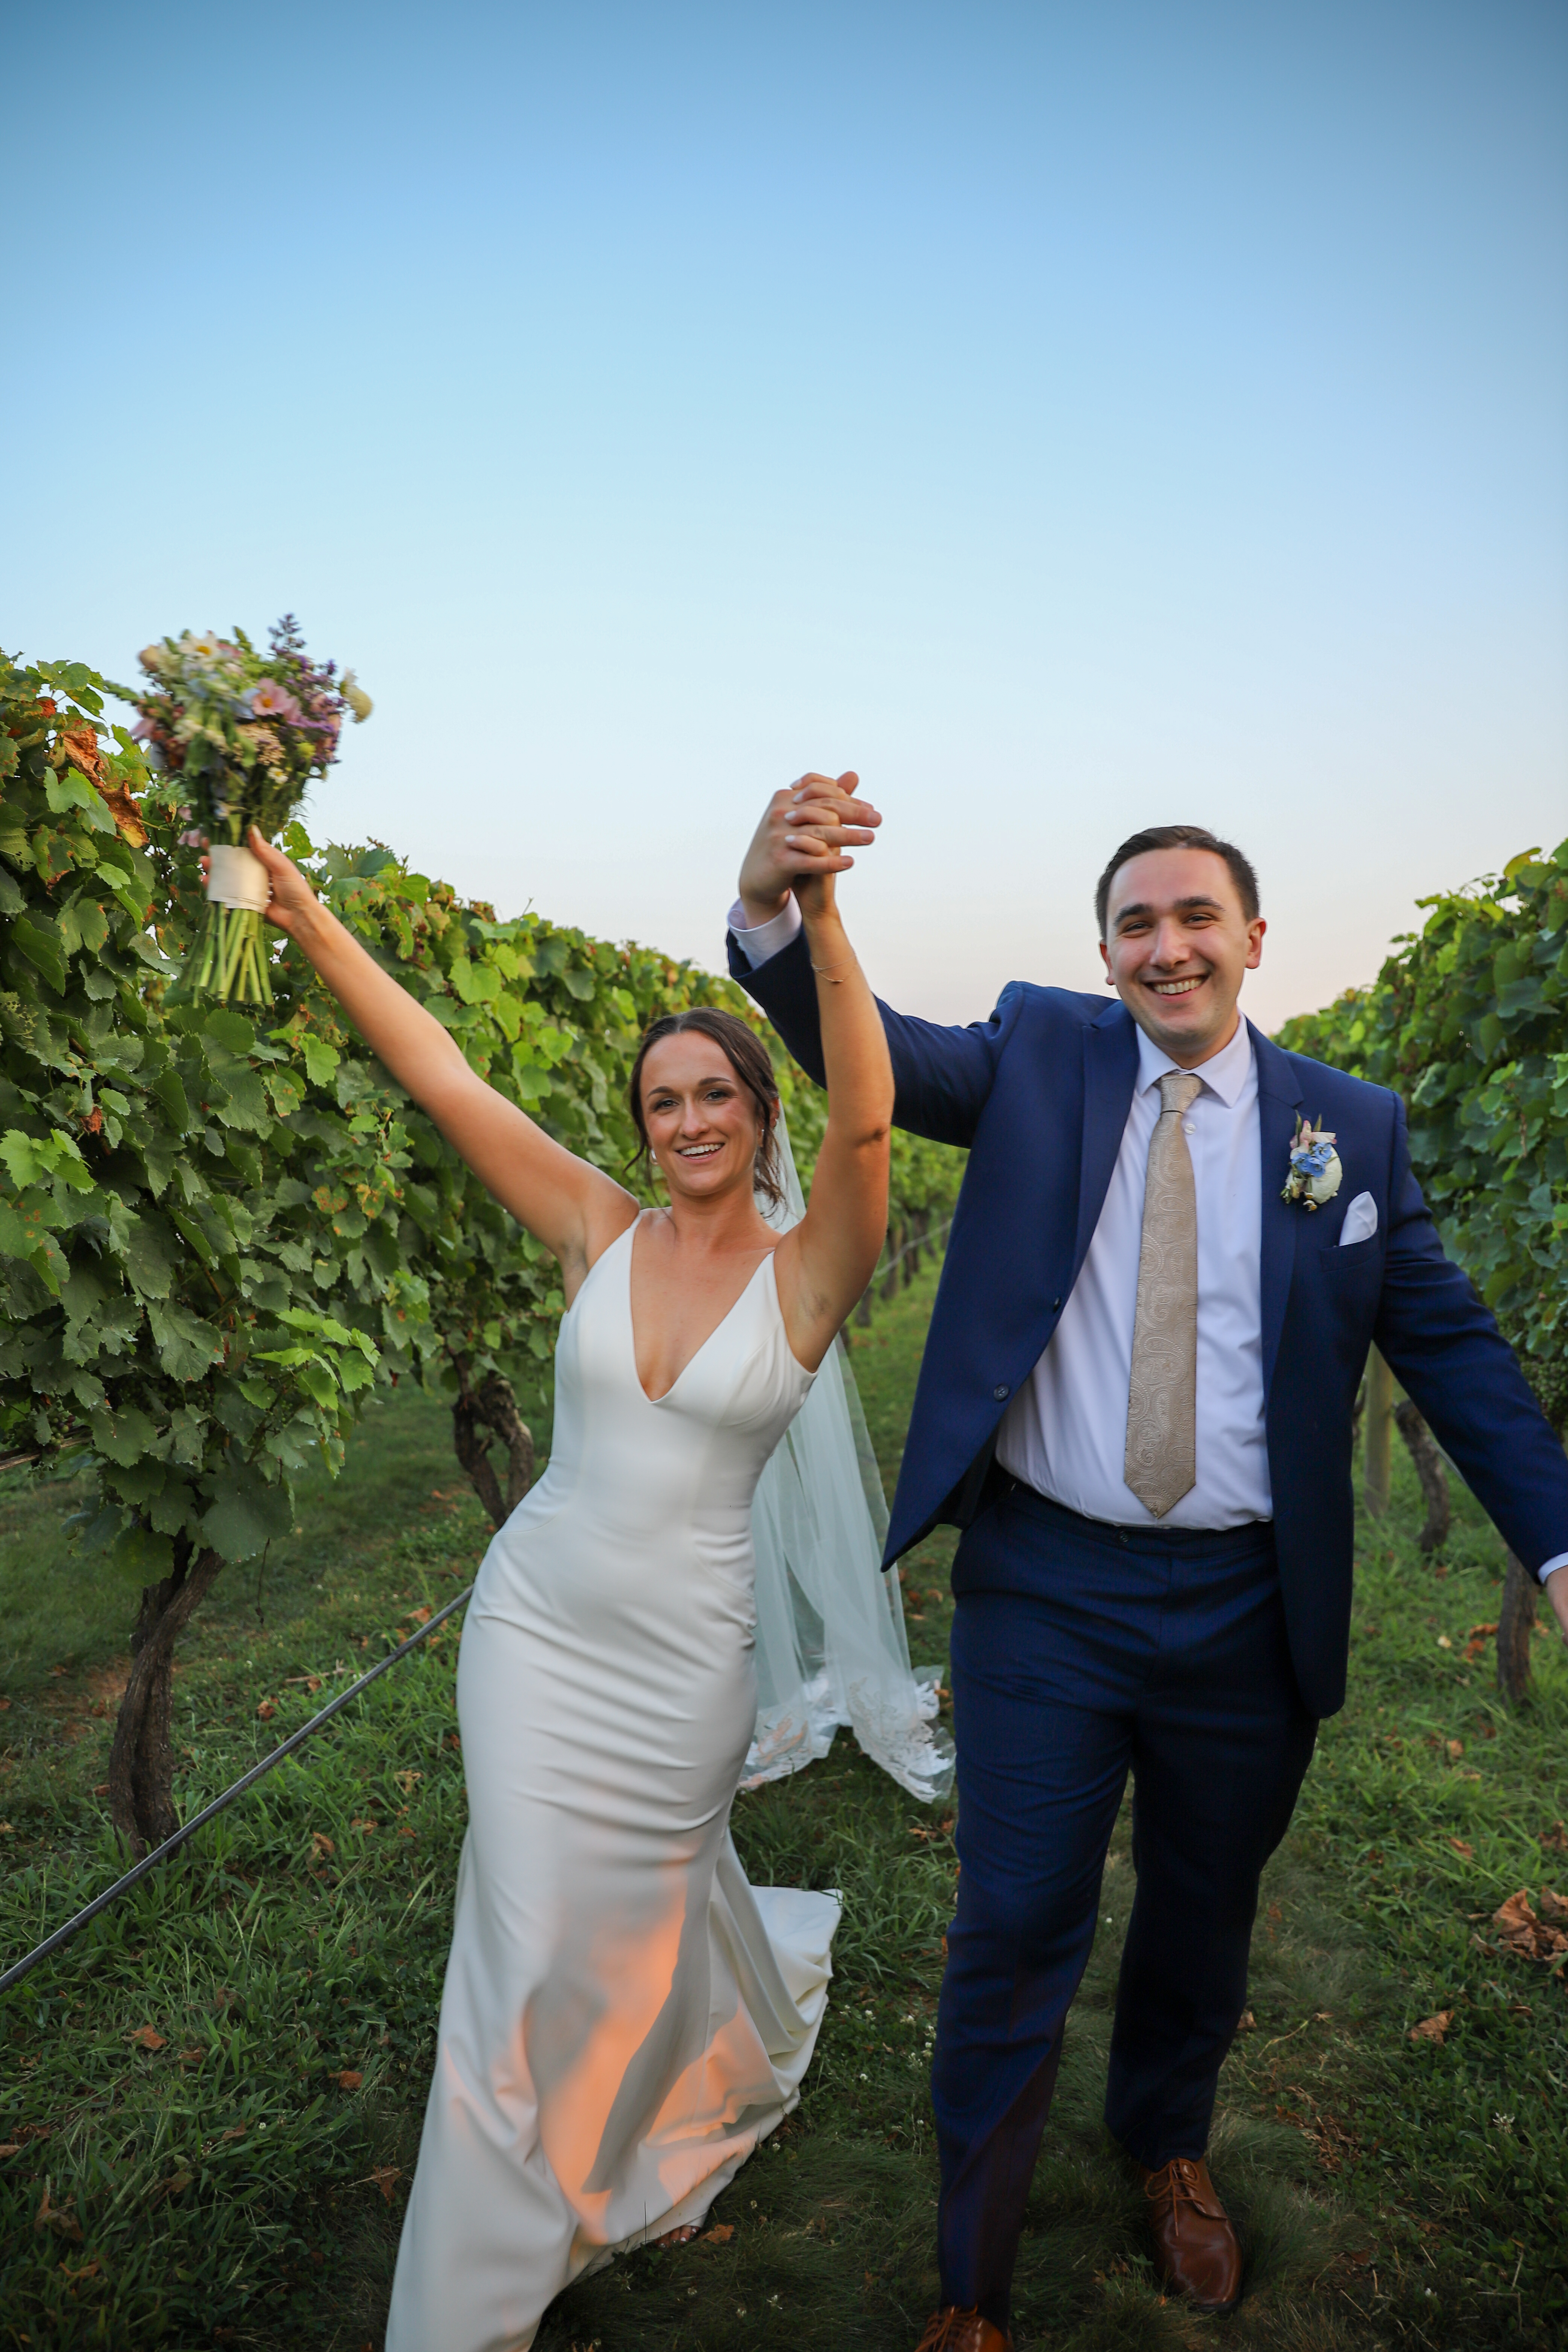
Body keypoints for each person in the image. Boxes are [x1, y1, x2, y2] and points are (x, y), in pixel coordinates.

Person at [726, 787, 1568, 2352]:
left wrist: (1558, 1539)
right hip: (1047, 1588)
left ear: (1251, 940)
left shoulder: (1346, 1129)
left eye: (1195, 918)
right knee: (1014, 1915)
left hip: (1249, 1604)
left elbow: (1445, 1348)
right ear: (1101, 952)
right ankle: (970, 2274)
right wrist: (776, 913)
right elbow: (876, 1057)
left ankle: (1163, 2141)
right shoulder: (1039, 1058)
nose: (1165, 946)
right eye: (1134, 922)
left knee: (1201, 1906)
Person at [242, 822, 894, 2352]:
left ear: (754, 1107)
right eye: (661, 1101)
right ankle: (471, 2296)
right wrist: (305, 915)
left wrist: (817, 911)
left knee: (631, 1930)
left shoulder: (809, 1272)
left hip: (684, 1663)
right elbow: (448, 1076)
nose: (685, 1122)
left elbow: (866, 1127)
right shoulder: (596, 1229)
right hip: (534, 1626)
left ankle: (668, 2076)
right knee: (523, 1937)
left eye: (711, 1093)